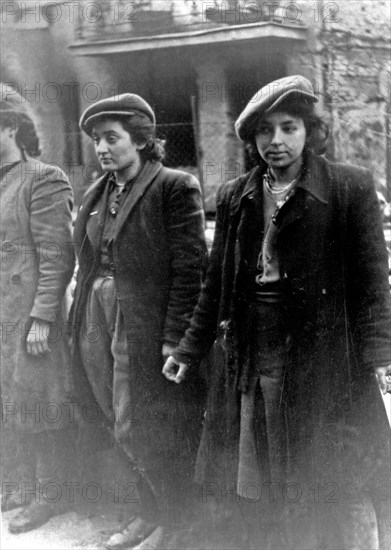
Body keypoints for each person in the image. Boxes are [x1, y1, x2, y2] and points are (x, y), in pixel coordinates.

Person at [163, 75, 391, 549]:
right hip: (252, 351)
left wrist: (382, 352)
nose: (276, 142)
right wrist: (189, 348)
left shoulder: (348, 188)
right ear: (252, 140)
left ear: (310, 130)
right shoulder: (234, 196)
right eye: (264, 132)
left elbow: (373, 283)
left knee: (327, 468)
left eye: (289, 127)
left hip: (325, 356)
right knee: (261, 467)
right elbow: (217, 284)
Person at [71, 93, 207, 550]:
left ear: (142, 140)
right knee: (110, 412)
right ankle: (146, 511)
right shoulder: (99, 191)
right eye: (96, 140)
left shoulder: (174, 186)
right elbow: (87, 258)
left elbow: (191, 268)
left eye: (112, 138)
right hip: (97, 312)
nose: (103, 148)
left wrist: (175, 338)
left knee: (142, 421)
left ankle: (173, 518)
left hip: (142, 318)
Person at [0, 84, 75, 533]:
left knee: (41, 403)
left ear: (10, 127)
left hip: (29, 315)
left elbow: (56, 254)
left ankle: (50, 495)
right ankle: (18, 486)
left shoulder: (44, 178)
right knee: (8, 401)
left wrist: (43, 316)